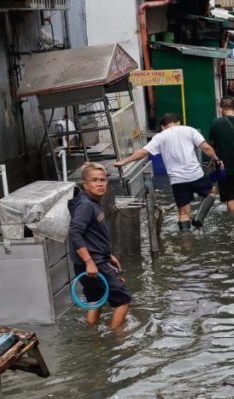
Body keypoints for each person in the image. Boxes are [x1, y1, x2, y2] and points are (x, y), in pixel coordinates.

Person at [114, 113, 221, 232]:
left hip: (178, 181)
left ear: (162, 127)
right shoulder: (189, 130)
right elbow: (206, 148)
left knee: (183, 213)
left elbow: (144, 152)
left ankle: (186, 242)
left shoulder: (160, 137)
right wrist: (217, 159)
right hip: (196, 175)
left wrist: (125, 161)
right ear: (178, 122)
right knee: (212, 191)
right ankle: (199, 218)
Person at [68, 162, 132, 329]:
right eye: (95, 180)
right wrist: (90, 262)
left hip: (94, 262)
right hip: (94, 265)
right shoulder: (86, 205)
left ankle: (93, 336)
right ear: (85, 184)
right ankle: (118, 338)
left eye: (102, 180)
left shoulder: (91, 201)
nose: (100, 183)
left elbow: (92, 236)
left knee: (96, 300)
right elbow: (75, 233)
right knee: (123, 300)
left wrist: (108, 255)